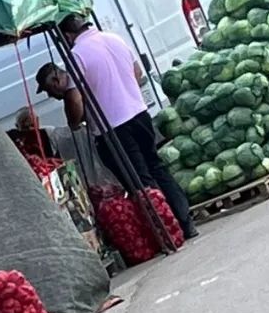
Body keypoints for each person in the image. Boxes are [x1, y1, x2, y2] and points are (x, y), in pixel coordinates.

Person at [46, 15, 197, 239]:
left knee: (140, 181)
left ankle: (168, 229)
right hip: (139, 114)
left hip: (114, 128)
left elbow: (75, 100)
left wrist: (75, 122)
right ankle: (185, 221)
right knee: (156, 167)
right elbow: (137, 72)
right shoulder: (114, 38)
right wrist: (123, 91)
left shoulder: (77, 55)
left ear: (67, 35)